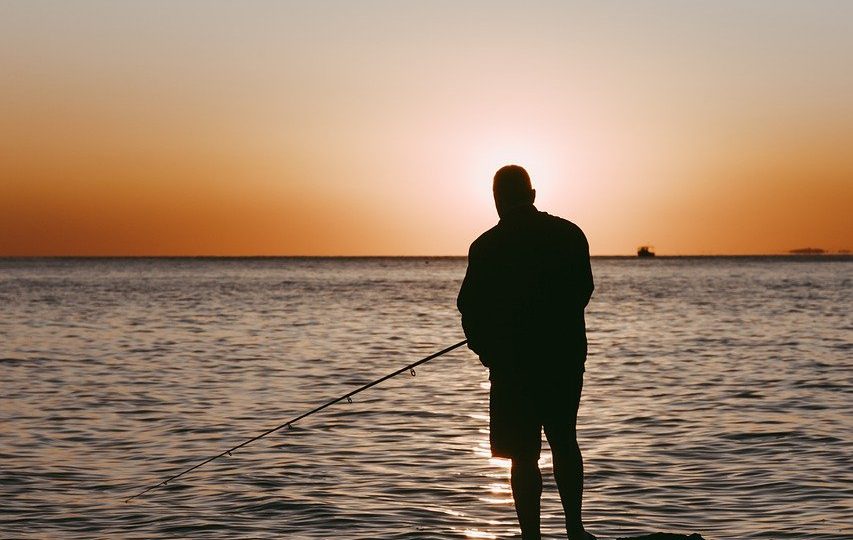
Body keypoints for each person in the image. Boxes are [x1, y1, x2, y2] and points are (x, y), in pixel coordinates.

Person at [457, 165, 595, 540]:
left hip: (512, 367)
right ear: (532, 195)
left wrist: (487, 351)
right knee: (564, 440)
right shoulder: (569, 234)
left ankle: (531, 537)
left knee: (523, 455)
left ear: (497, 200)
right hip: (563, 360)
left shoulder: (485, 247)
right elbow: (583, 290)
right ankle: (575, 529)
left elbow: (468, 308)